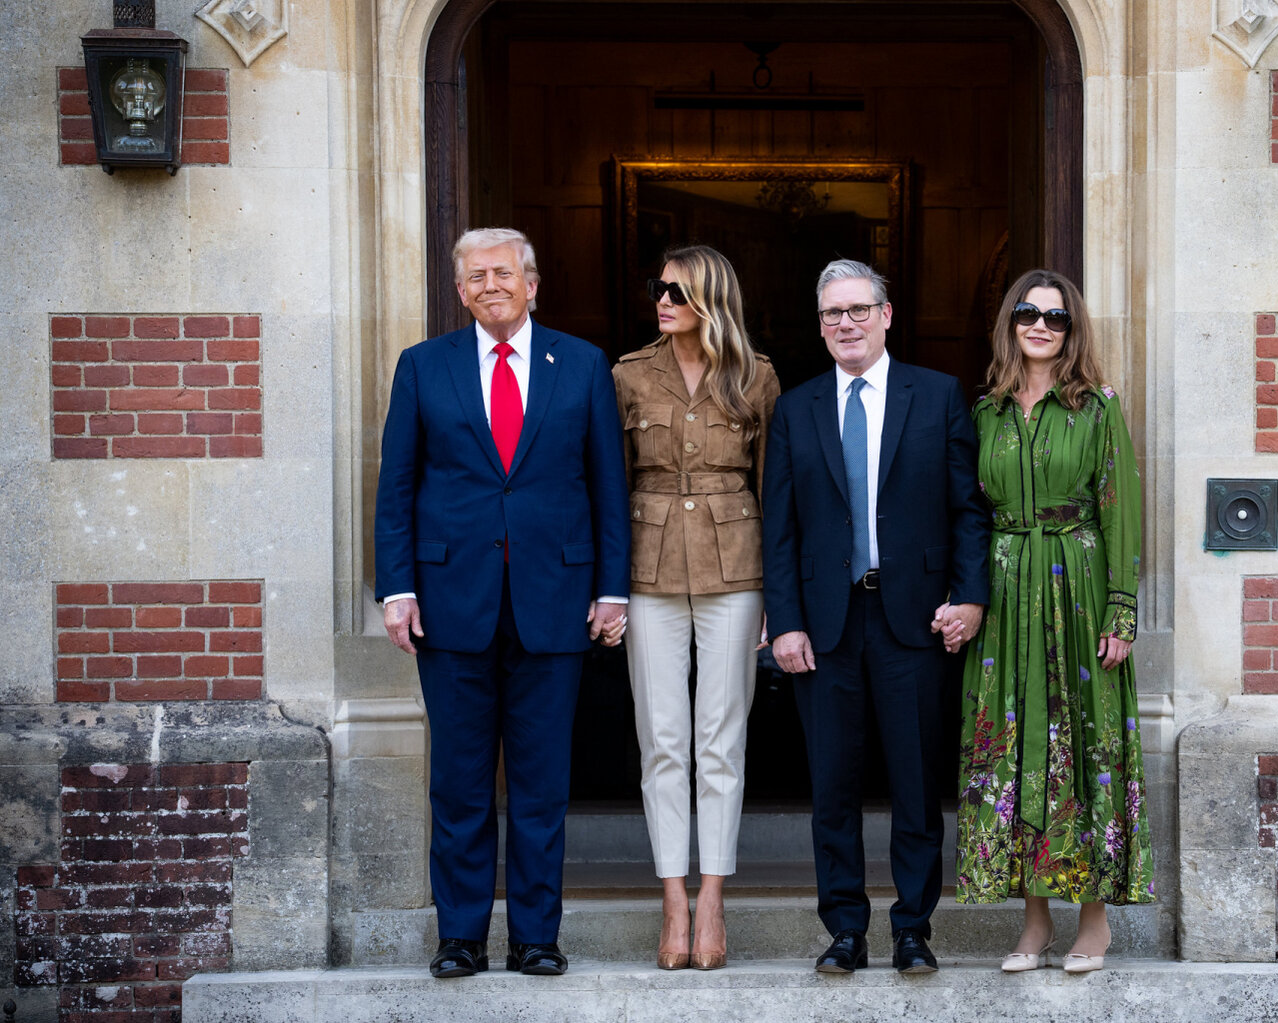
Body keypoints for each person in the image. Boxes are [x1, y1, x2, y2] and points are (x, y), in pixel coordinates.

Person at [373, 227, 631, 979]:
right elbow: (396, 485)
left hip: (555, 600)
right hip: (451, 600)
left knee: (541, 786)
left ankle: (535, 938)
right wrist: (397, 587)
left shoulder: (581, 364)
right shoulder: (423, 365)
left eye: (504, 273)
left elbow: (607, 483)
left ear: (532, 283)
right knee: (459, 783)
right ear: (460, 291)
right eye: (476, 276)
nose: (491, 285)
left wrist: (611, 586)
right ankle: (460, 937)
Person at [762, 259, 989, 975]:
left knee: (915, 784)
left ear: (886, 315)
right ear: (819, 324)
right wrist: (784, 620)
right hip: (825, 624)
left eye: (858, 310)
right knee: (832, 786)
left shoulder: (938, 394)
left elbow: (967, 509)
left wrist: (970, 595)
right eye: (832, 313)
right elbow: (779, 528)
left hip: (913, 620)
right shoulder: (795, 408)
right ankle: (845, 930)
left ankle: (913, 929)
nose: (845, 324)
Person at [954, 268, 1153, 975]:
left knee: (1083, 743)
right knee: (1012, 749)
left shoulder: (1096, 408)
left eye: (1056, 317)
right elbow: (968, 513)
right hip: (1007, 596)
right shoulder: (984, 412)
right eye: (1027, 313)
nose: (1040, 325)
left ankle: (1093, 918)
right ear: (1009, 323)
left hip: (1078, 592)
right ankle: (1034, 920)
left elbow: (1120, 508)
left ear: (1072, 331)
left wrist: (1121, 610)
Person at [613, 245, 781, 971]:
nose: (662, 299)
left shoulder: (756, 376)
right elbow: (610, 484)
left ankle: (712, 895)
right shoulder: (627, 374)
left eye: (677, 291)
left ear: (710, 298)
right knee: (661, 740)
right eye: (659, 287)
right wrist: (607, 586)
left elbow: (774, 487)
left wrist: (779, 596)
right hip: (647, 569)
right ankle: (672, 897)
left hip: (735, 569)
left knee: (720, 739)